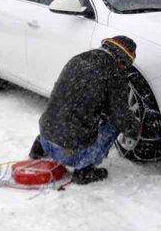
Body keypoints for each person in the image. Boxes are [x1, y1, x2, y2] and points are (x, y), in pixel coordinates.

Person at [29, 36, 141, 185]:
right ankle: (84, 170)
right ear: (121, 60)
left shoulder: (77, 60)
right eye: (126, 65)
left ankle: (39, 149)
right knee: (114, 124)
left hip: (45, 139)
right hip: (70, 154)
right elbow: (120, 116)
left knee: (64, 107)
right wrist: (136, 129)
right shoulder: (115, 73)